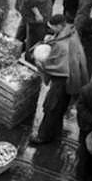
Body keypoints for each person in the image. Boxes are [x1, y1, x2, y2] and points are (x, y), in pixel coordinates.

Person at [31, 18, 87, 146]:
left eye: (53, 28)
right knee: (60, 107)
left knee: (51, 108)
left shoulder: (62, 47)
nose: (51, 30)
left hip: (62, 82)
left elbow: (56, 66)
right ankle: (55, 129)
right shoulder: (71, 31)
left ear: (60, 26)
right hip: (72, 79)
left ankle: (43, 136)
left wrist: (41, 64)